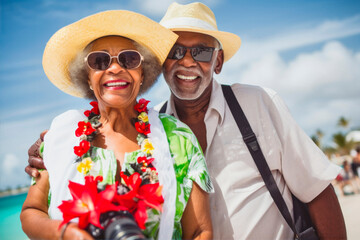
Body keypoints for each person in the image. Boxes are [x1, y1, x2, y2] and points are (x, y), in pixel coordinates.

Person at [26, 2, 347, 239]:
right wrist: (50, 151)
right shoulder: (154, 130)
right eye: (176, 52)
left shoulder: (257, 104)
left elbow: (317, 191)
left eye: (202, 52)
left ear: (218, 61)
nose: (188, 62)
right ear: (161, 65)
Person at [20, 10, 214, 240]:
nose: (114, 68)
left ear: (142, 74)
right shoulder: (63, 134)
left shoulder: (178, 137)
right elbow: (32, 211)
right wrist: (65, 234)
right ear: (88, 78)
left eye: (129, 59)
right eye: (99, 61)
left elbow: (199, 231)